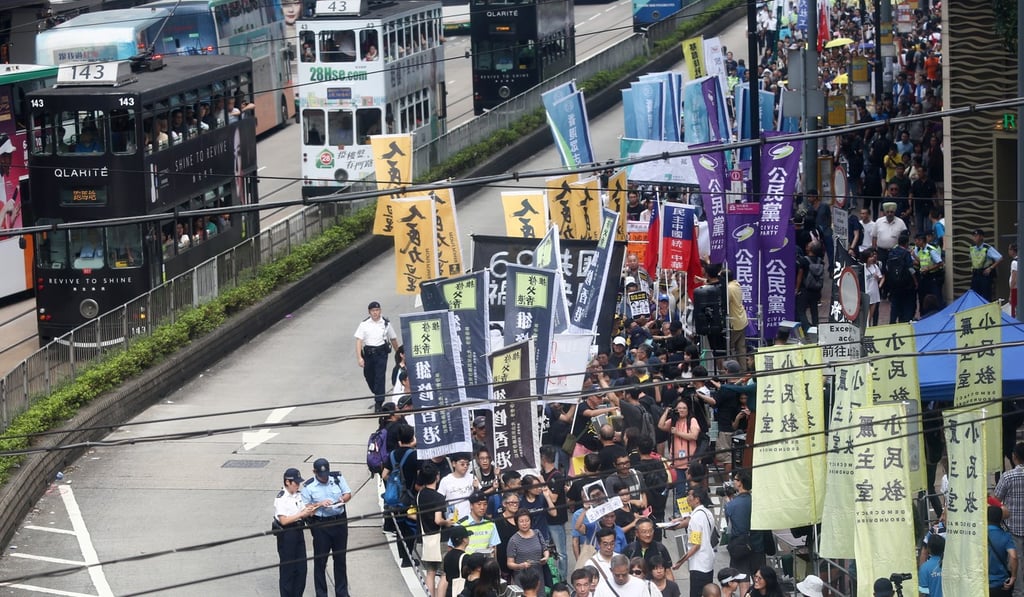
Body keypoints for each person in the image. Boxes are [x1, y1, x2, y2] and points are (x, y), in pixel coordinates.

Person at [301, 458, 353, 597]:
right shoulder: (308, 487)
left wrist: (343, 499)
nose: (324, 478)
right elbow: (306, 509)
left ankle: (342, 592)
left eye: (326, 475)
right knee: (320, 561)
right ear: (314, 472)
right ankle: (321, 593)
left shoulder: (337, 478)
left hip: (339, 521)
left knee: (340, 559)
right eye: (321, 476)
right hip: (321, 525)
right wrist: (320, 504)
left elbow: (348, 493)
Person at [274, 467, 316, 597]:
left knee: (301, 569)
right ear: (287, 482)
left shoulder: (298, 495)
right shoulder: (281, 498)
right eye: (295, 483)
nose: (298, 485)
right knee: (288, 570)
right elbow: (284, 520)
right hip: (287, 534)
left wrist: (314, 508)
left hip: (298, 531)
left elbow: (305, 510)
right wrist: (301, 514)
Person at [354, 300, 400, 412]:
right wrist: (359, 357)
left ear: (380, 311)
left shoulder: (386, 324)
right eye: (373, 311)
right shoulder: (364, 324)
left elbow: (393, 339)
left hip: (381, 354)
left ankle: (379, 402)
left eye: (377, 310)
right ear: (369, 312)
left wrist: (398, 353)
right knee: (369, 376)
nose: (375, 313)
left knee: (380, 377)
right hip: (368, 353)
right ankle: (378, 393)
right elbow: (359, 341)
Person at [994, 443, 1024, 596]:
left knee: (1016, 563)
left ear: (1014, 456)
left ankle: (1019, 592)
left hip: (1013, 529)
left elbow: (995, 500)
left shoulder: (1008, 476)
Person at [673, 488, 715, 597]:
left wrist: (680, 562)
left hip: (699, 565)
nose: (687, 498)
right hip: (708, 561)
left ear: (697, 499)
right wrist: (678, 520)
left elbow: (696, 545)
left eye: (689, 496)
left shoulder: (696, 518)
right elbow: (689, 517)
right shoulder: (706, 513)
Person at [507, 509, 550, 589]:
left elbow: (545, 549)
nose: (524, 524)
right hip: (522, 579)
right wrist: (521, 566)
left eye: (527, 520)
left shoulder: (537, 533)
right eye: (521, 521)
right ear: (517, 523)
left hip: (538, 576)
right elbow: (509, 563)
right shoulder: (513, 540)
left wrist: (546, 557)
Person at [595, 554, 663, 597]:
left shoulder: (640, 585)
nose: (621, 578)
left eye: (624, 574)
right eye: (617, 575)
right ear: (611, 570)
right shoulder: (602, 588)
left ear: (628, 570)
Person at [441, 453, 480, 523]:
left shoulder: (472, 477)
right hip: (454, 520)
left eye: (467, 464)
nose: (465, 466)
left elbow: (479, 497)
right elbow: (440, 499)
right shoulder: (445, 480)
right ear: (453, 464)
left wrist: (476, 488)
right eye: (462, 464)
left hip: (471, 519)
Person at [969, 229, 1004, 301]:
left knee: (986, 296)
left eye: (976, 236)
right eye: (973, 236)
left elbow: (1000, 258)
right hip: (975, 275)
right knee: (974, 295)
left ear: (981, 237)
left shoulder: (987, 248)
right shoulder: (972, 248)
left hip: (984, 275)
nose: (974, 238)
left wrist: (990, 268)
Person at [438, 525, 472, 597]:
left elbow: (445, 577)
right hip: (461, 592)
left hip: (450, 592)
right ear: (464, 540)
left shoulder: (447, 556)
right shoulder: (466, 558)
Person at [1009, 243, 1019, 318]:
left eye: (1009, 249)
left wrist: (1011, 294)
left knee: (1014, 311)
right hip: (1019, 289)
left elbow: (1014, 279)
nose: (1008, 251)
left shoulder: (1014, 262)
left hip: (1015, 290)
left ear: (1013, 251)